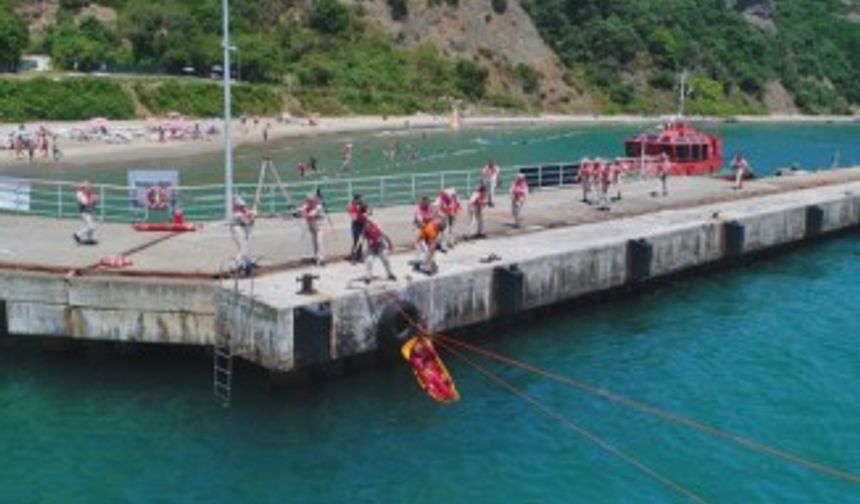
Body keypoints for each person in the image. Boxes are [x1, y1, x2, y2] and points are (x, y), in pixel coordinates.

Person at [357, 215, 397, 284]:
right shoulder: (364, 229)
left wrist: (390, 244)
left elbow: (385, 235)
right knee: (369, 261)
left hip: (380, 247)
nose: (367, 224)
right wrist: (357, 249)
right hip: (371, 248)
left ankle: (390, 274)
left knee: (386, 260)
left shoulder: (376, 227)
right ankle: (368, 277)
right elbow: (361, 239)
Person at [229, 195, 256, 274]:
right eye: (242, 206)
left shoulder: (243, 211)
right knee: (243, 249)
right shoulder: (237, 214)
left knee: (246, 248)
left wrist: (253, 213)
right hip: (237, 232)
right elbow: (247, 221)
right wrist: (252, 216)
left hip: (242, 231)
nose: (244, 208)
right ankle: (234, 265)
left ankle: (245, 265)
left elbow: (249, 218)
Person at [301, 193, 326, 266]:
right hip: (312, 226)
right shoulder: (307, 205)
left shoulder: (318, 207)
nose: (308, 201)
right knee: (314, 242)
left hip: (319, 227)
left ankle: (321, 259)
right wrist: (298, 211)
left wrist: (304, 214)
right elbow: (302, 210)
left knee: (319, 242)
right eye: (308, 200)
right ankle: (316, 257)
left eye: (310, 200)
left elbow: (311, 214)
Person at [347, 194, 369, 262]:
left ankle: (359, 256)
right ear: (356, 199)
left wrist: (367, 212)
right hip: (356, 225)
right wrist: (361, 214)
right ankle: (354, 257)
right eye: (359, 199)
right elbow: (354, 217)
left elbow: (369, 212)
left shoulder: (363, 205)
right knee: (356, 241)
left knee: (361, 241)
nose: (361, 200)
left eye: (361, 199)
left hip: (362, 224)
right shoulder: (352, 206)